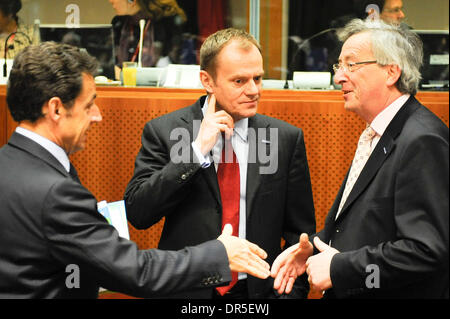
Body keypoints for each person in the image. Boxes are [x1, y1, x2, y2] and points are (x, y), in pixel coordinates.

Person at [0, 41, 271, 298]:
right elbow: (137, 271)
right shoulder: (56, 192)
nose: (97, 115)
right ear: (56, 109)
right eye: (89, 104)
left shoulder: (10, 162)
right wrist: (220, 254)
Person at [124, 28, 316, 299]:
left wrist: (290, 294)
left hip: (256, 292)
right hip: (187, 290)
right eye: (239, 81)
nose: (253, 91)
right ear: (208, 80)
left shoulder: (284, 139)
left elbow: (301, 235)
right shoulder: (164, 131)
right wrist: (196, 151)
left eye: (258, 79)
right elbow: (139, 212)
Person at [271, 18, 449, 299]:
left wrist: (340, 268)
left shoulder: (422, 140)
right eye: (338, 66)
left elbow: (426, 252)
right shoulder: (378, 132)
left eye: (351, 65)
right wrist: (314, 248)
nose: (339, 76)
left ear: (391, 72)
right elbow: (366, 225)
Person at [109, 0, 186, 79]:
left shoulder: (166, 22)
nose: (110, 1)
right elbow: (110, 59)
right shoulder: (119, 23)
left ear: (132, 1)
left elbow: (175, 61)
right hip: (124, 84)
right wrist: (112, 69)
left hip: (158, 84)